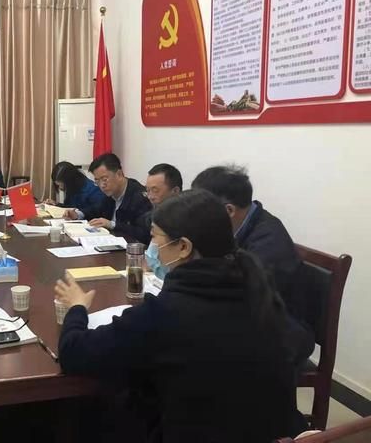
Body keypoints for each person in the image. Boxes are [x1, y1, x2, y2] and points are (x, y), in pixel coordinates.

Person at [55, 189, 307, 443]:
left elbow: (74, 353)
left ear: (184, 247)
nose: (152, 247)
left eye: (155, 237)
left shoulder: (165, 312)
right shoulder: (256, 288)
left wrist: (77, 308)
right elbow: (298, 343)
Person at [191, 165, 314, 360]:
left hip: (280, 334)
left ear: (229, 210)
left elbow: (239, 293)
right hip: (246, 319)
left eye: (201, 211)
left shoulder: (269, 243)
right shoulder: (237, 226)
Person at [66, 153, 152, 243]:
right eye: (97, 181)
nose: (101, 185)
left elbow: (144, 234)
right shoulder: (110, 193)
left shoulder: (139, 197)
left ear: (119, 174)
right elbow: (96, 210)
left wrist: (112, 225)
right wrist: (78, 214)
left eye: (104, 179)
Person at [143, 164, 183, 279]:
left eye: (155, 190)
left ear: (175, 191)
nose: (150, 197)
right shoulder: (153, 215)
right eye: (147, 191)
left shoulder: (185, 220)